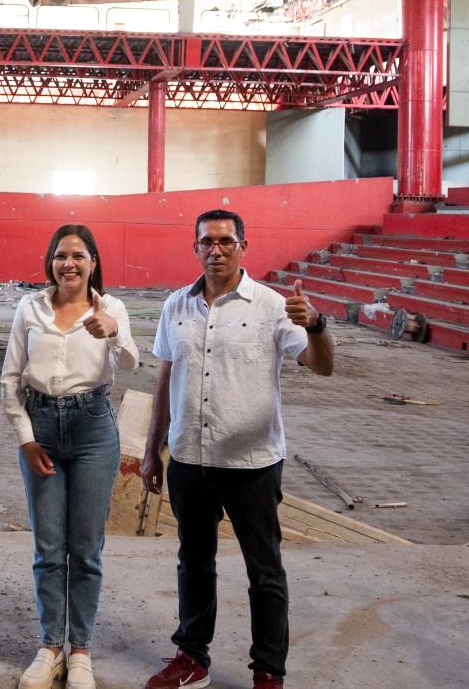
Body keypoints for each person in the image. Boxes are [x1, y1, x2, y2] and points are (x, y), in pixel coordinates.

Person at [140, 209, 333, 689]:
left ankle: (268, 670)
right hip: (189, 459)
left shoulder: (271, 305)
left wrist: (316, 324)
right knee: (194, 563)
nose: (216, 250)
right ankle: (192, 658)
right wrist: (151, 450)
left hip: (252, 465)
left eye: (226, 241)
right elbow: (164, 382)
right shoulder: (175, 307)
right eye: (207, 241)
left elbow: (322, 366)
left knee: (264, 572)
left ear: (243, 246)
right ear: (196, 248)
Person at [1, 225, 138, 689]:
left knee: (85, 549)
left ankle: (80, 651)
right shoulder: (30, 307)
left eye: (79, 256)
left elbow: (135, 362)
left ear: (93, 262)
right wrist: (26, 438)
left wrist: (114, 332)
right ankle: (50, 648)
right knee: (48, 549)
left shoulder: (110, 308)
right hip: (40, 428)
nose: (69, 264)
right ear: (50, 261)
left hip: (93, 429)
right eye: (61, 256)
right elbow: (10, 379)